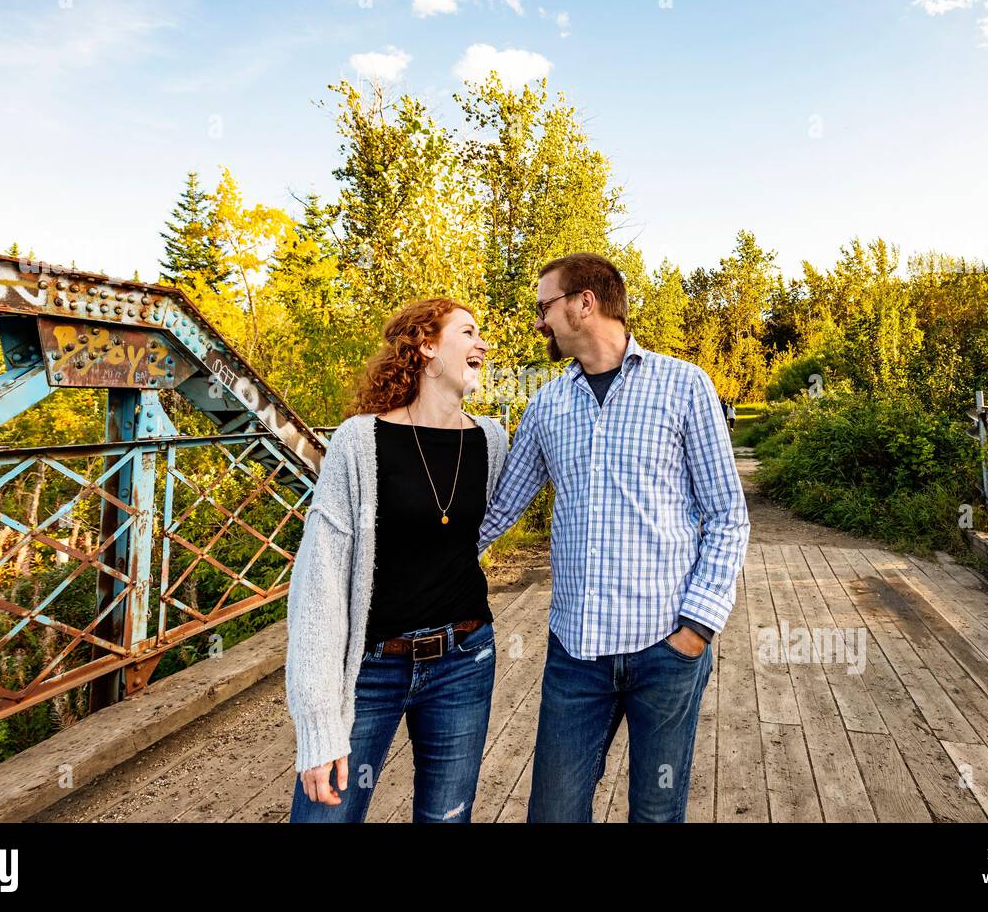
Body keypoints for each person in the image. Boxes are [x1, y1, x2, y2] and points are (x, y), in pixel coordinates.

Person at [477, 253, 751, 822]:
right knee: (554, 812)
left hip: (666, 649)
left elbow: (727, 513)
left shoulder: (685, 386)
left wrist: (697, 626)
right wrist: (412, 568)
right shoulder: (548, 403)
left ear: (585, 303)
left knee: (655, 811)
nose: (538, 322)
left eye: (544, 306)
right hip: (576, 653)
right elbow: (500, 508)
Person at [286, 297, 509, 822]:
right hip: (371, 669)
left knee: (446, 818)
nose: (482, 344)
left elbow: (469, 533)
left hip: (465, 658)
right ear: (427, 346)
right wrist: (318, 723)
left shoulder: (491, 440)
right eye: (468, 333)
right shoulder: (360, 441)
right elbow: (320, 580)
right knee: (325, 817)